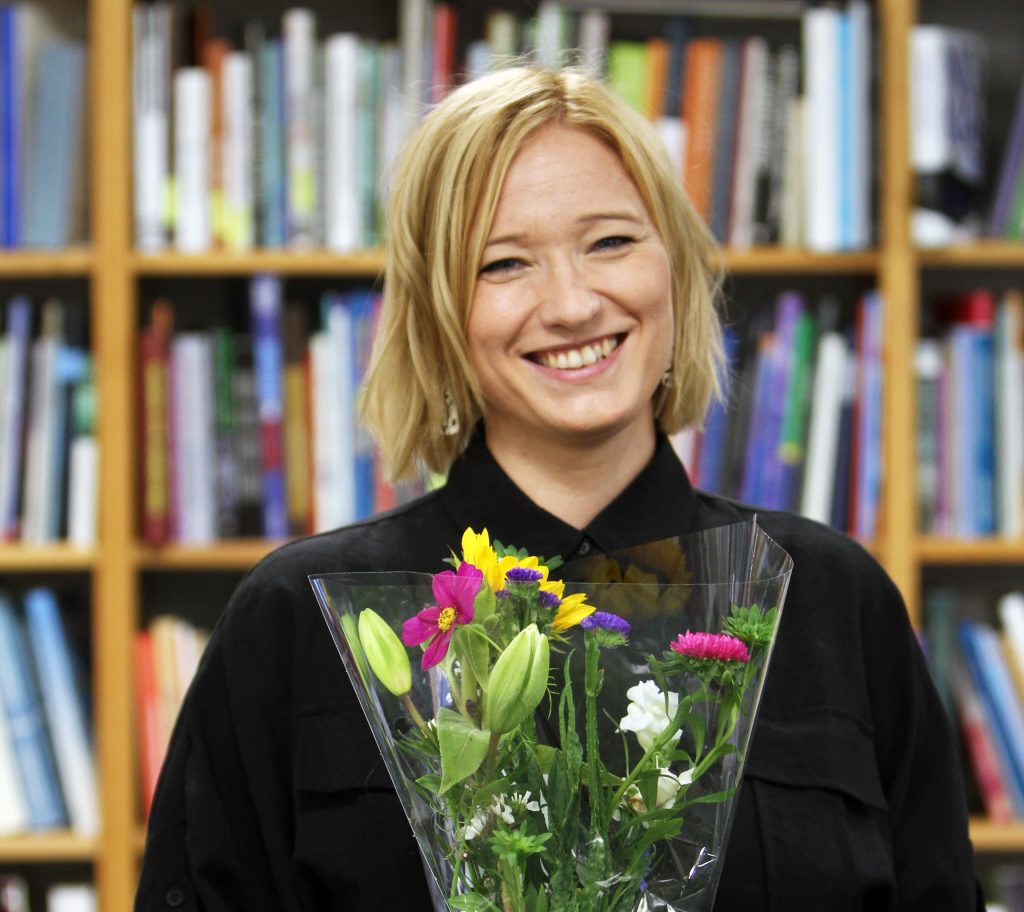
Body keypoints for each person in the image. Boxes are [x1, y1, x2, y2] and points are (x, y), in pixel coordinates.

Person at [136, 66, 982, 911]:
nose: (573, 304)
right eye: (504, 263)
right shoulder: (297, 621)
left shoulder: (830, 597)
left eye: (610, 242)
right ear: (439, 313)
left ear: (674, 267)